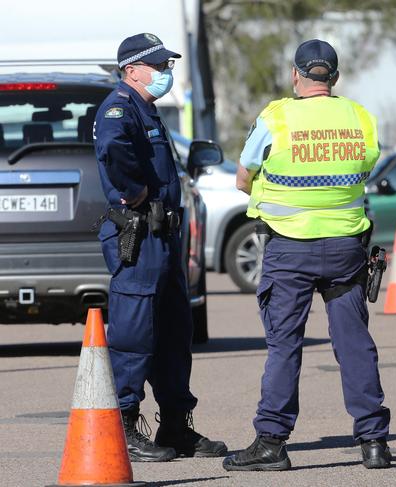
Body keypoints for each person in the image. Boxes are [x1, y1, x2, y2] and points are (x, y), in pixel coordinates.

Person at [222, 39, 391, 471]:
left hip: (290, 248)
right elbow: (365, 170)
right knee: (354, 344)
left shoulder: (276, 116)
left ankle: (272, 442)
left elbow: (244, 178)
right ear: (334, 78)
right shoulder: (359, 117)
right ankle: (374, 441)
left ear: (295, 75)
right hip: (345, 249)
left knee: (284, 346)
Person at [93, 33, 227, 462]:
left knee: (173, 332)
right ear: (132, 70)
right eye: (158, 66)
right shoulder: (119, 107)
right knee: (134, 334)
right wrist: (135, 192)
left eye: (166, 65)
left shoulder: (146, 110)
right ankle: (126, 427)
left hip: (164, 236)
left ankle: (175, 424)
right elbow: (113, 149)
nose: (166, 72)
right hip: (139, 235)